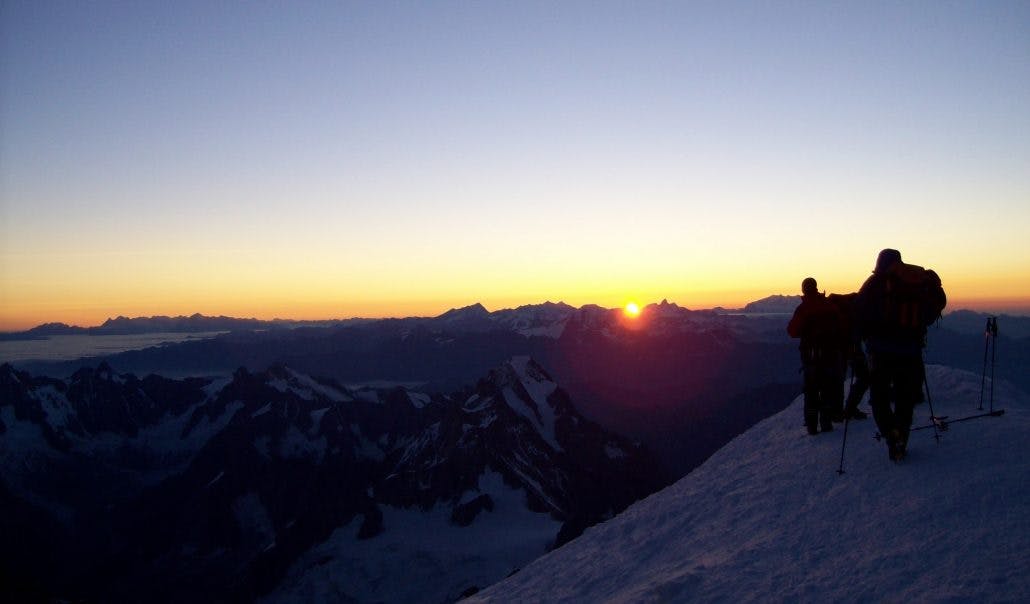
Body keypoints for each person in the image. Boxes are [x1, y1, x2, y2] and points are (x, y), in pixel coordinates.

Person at [856, 248, 942, 461]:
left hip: (880, 352)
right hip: (910, 351)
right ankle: (901, 437)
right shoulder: (917, 281)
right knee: (905, 399)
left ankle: (891, 435)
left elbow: (859, 312)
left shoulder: (875, 283)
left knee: (879, 399)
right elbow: (932, 311)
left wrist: (860, 336)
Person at [787, 277, 846, 435]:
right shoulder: (830, 306)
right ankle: (826, 423)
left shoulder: (804, 308)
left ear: (804, 289)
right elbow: (841, 326)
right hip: (830, 356)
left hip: (811, 357)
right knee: (827, 388)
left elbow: (792, 331)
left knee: (811, 391)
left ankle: (812, 427)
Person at [827, 292, 869, 420]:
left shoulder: (850, 305)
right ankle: (849, 409)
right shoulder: (862, 305)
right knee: (864, 376)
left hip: (836, 346)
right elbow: (861, 328)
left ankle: (836, 411)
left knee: (838, 378)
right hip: (850, 345)